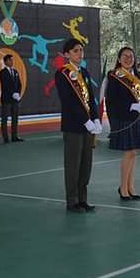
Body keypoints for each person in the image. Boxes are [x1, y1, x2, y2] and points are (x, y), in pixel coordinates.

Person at [55, 38, 99, 213]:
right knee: (73, 164)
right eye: (75, 50)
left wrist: (95, 118)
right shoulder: (62, 74)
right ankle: (72, 201)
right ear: (67, 54)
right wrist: (85, 120)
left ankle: (83, 199)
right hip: (74, 125)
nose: (79, 53)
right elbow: (69, 102)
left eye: (81, 50)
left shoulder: (85, 73)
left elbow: (91, 98)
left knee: (86, 164)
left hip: (87, 126)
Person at [106, 46, 140, 200]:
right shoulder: (114, 76)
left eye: (131, 56)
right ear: (119, 59)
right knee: (129, 152)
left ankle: (131, 187)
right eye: (125, 56)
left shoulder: (137, 75)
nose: (128, 59)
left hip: (137, 118)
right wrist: (130, 106)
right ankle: (123, 188)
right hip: (123, 118)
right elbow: (112, 99)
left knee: (134, 153)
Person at [0, 54, 24, 143]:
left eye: (12, 60)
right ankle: (5, 137)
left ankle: (14, 136)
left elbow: (19, 84)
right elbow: (5, 85)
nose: (12, 62)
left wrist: (17, 93)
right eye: (10, 60)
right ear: (6, 62)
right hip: (6, 99)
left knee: (15, 118)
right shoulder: (2, 72)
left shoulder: (15, 71)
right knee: (5, 118)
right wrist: (12, 93)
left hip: (15, 99)